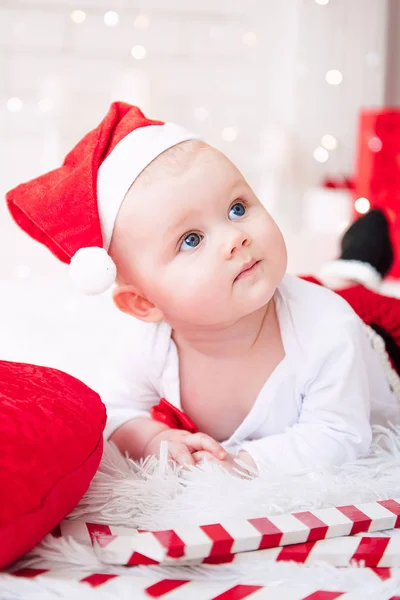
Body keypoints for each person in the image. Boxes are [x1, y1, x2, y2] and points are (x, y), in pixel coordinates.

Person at [6, 102, 400, 477]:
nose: (235, 238)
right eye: (191, 239)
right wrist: (153, 439)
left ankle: (357, 262)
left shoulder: (328, 328)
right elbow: (115, 409)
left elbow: (339, 435)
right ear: (144, 303)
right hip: (280, 291)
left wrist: (243, 463)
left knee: (353, 293)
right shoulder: (151, 341)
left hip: (373, 335)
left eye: (238, 208)